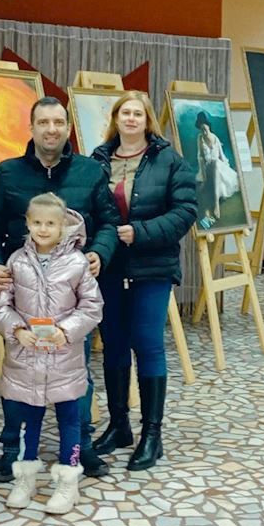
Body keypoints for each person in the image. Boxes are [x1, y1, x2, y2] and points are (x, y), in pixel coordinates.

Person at [0, 96, 120, 482]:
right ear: (31, 128)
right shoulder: (6, 174)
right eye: (43, 122)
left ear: (68, 128)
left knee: (77, 375)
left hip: (69, 300)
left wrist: (100, 253)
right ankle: (11, 452)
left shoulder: (91, 172)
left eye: (58, 122)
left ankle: (81, 446)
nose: (51, 129)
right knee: (17, 379)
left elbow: (109, 222)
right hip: (21, 297)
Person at [89, 92, 195, 471]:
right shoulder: (98, 160)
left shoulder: (170, 161)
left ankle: (152, 435)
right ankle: (119, 426)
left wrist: (141, 232)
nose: (131, 119)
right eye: (125, 113)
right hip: (110, 266)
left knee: (148, 344)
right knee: (114, 343)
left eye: (138, 113)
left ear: (148, 120)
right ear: (116, 119)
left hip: (153, 266)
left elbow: (185, 211)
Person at [0, 193, 103, 514]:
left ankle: (68, 481)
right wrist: (17, 331)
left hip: (64, 358)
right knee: (30, 419)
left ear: (63, 226)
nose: (43, 229)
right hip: (26, 358)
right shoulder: (16, 262)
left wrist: (65, 331)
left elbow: (92, 307)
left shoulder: (77, 263)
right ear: (27, 223)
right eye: (37, 222)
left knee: (70, 418)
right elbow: (1, 307)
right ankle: (25, 477)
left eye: (51, 223)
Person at [194, 110, 240, 230]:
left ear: (209, 126)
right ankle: (214, 207)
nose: (204, 132)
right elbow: (200, 158)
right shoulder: (200, 139)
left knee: (216, 164)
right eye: (202, 130)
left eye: (205, 129)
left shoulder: (215, 138)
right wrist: (203, 177)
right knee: (213, 166)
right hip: (207, 169)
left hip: (218, 167)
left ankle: (216, 205)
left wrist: (227, 167)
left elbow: (222, 156)